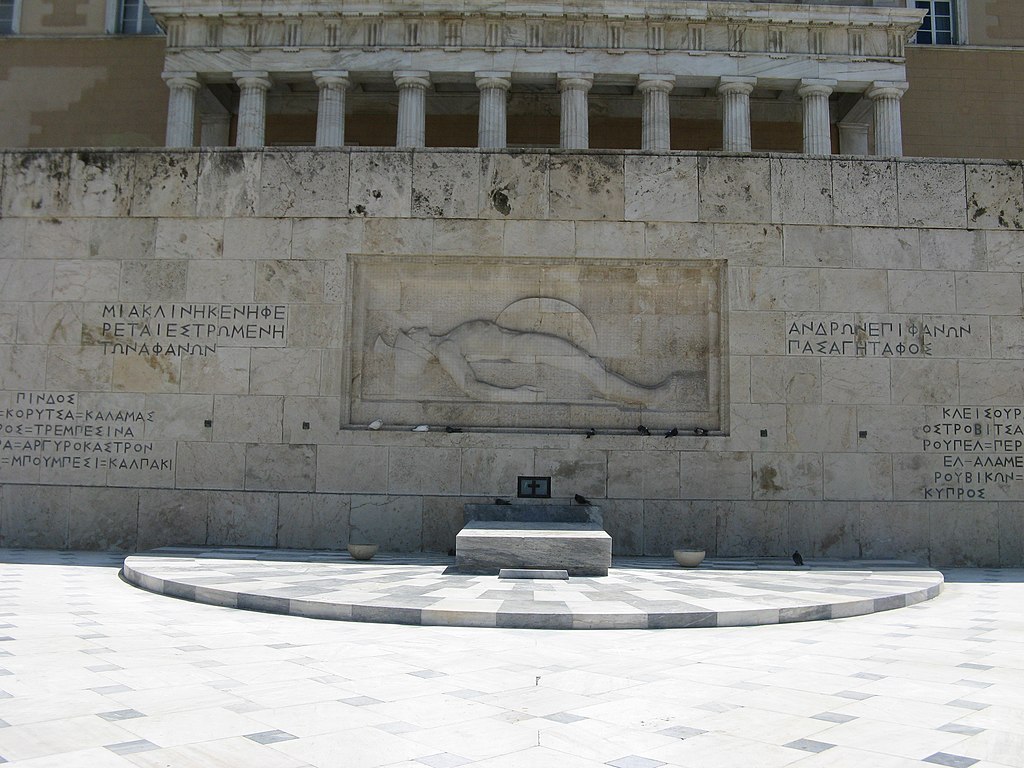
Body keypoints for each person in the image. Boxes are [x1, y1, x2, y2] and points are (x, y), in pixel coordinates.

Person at [388, 320, 687, 405]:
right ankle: (648, 397)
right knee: (590, 368)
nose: (413, 328)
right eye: (410, 335)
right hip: (530, 350)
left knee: (590, 366)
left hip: (529, 343)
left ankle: (645, 396)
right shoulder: (446, 350)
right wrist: (514, 395)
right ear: (418, 346)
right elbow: (470, 387)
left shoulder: (447, 340)